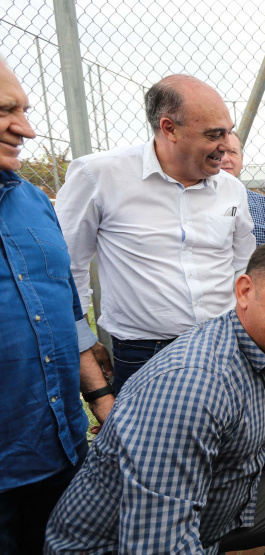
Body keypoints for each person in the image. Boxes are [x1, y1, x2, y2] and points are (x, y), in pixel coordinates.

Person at [45, 241, 265, 554]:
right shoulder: (194, 385)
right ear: (245, 291)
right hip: (118, 541)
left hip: (213, 502)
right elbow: (158, 541)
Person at [55, 74, 256, 393]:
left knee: (234, 442)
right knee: (151, 443)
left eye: (227, 132)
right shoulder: (100, 176)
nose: (226, 146)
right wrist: (83, 339)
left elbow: (243, 266)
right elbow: (66, 266)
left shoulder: (232, 190)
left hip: (225, 345)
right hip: (144, 354)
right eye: (214, 134)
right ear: (169, 128)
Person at [0, 55, 112, 555]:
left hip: (61, 451)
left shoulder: (36, 203)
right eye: (6, 111)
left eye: (24, 110)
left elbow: (66, 316)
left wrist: (102, 399)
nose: (25, 129)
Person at [221, 130, 265, 246]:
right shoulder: (192, 200)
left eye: (232, 152)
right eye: (219, 152)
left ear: (241, 159)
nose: (225, 159)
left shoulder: (264, 205)